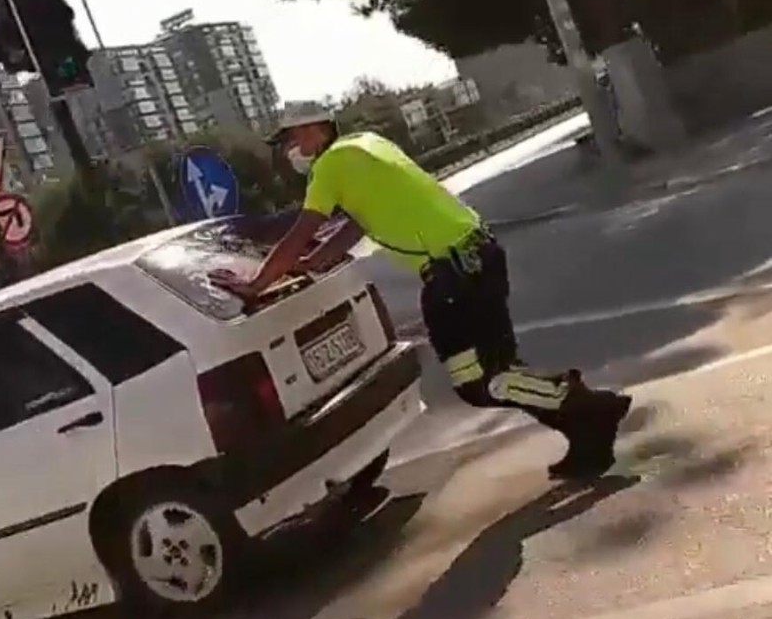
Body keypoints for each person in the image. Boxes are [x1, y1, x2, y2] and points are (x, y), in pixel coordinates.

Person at [210, 113, 632, 480]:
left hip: (454, 277)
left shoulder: (333, 163)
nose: (289, 150)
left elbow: (302, 231)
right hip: (477, 257)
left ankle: (589, 405)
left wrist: (255, 286)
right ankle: (587, 436)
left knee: (480, 383)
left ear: (316, 129)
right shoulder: (368, 145)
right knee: (504, 373)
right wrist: (309, 266)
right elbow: (354, 228)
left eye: (291, 138)